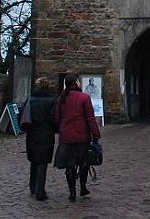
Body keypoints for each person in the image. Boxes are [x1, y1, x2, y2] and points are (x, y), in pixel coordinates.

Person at [54, 73, 101, 202]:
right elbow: (90, 118)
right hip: (82, 136)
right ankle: (82, 187)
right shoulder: (84, 97)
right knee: (83, 163)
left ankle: (72, 192)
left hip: (66, 137)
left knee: (69, 165)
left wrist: (61, 130)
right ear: (75, 82)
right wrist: (96, 134)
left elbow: (57, 119)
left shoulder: (61, 99)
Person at [23, 77, 56, 201]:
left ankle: (33, 186)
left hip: (32, 133)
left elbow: (24, 116)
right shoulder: (51, 101)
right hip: (46, 133)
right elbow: (54, 118)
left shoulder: (30, 100)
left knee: (34, 160)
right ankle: (40, 191)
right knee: (42, 162)